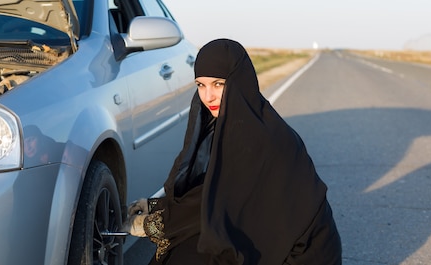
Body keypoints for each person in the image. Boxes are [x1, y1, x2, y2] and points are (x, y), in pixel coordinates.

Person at [124, 38, 342, 265]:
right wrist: (157, 206)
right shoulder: (234, 123)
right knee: (189, 245)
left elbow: (221, 201)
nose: (208, 96)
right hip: (271, 233)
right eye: (201, 85)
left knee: (195, 250)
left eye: (218, 84)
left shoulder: (260, 138)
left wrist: (154, 224)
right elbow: (212, 191)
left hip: (300, 254)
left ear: (238, 82)